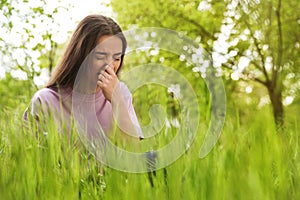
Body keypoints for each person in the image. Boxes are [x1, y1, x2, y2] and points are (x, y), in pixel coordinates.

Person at [23, 15, 143, 146]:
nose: (109, 66)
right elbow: (28, 156)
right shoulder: (46, 100)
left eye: (117, 58)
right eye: (100, 56)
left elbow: (134, 153)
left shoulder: (121, 93)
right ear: (80, 55)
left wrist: (117, 101)